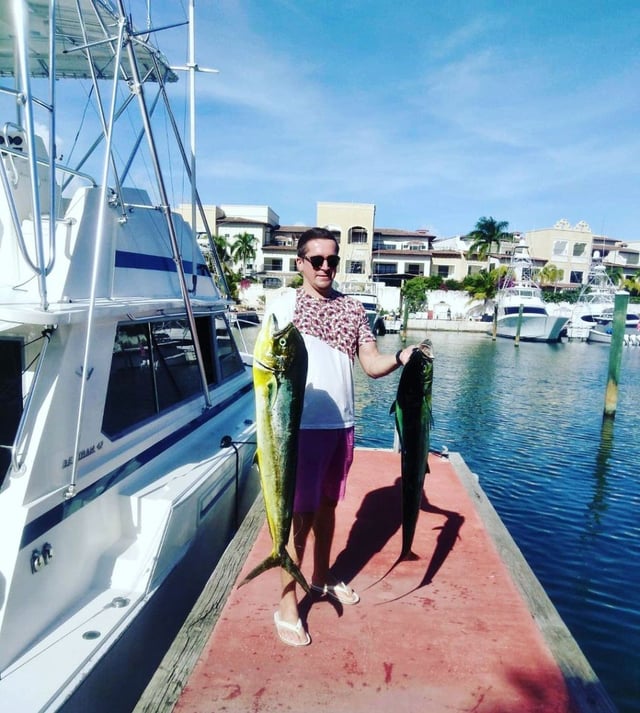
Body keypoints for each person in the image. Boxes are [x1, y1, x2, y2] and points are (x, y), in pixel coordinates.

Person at [265, 227, 418, 646]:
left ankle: (321, 575)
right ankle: (285, 600)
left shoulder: (353, 309)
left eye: (332, 259)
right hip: (297, 427)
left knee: (329, 507)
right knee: (297, 517)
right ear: (300, 263)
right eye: (317, 260)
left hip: (341, 427)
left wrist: (402, 358)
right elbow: (265, 368)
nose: (326, 267)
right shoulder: (283, 306)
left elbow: (369, 363)